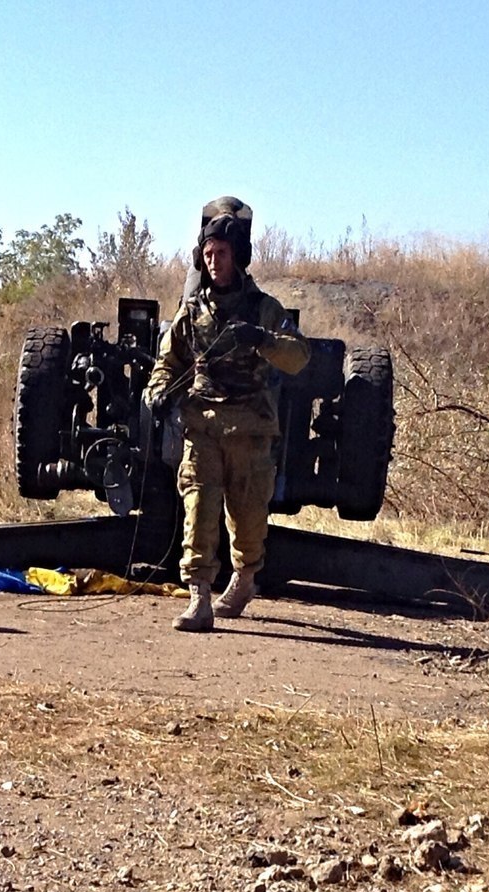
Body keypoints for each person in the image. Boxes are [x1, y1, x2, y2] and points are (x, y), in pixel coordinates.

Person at [144, 204, 310, 632]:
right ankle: (198, 595)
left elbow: (298, 357)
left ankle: (245, 578)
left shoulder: (263, 309)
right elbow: (168, 362)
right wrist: (158, 393)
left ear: (238, 256)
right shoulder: (192, 311)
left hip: (250, 429)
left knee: (248, 516)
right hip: (202, 426)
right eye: (208, 253)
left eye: (222, 253)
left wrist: (261, 339)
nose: (213, 262)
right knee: (198, 508)